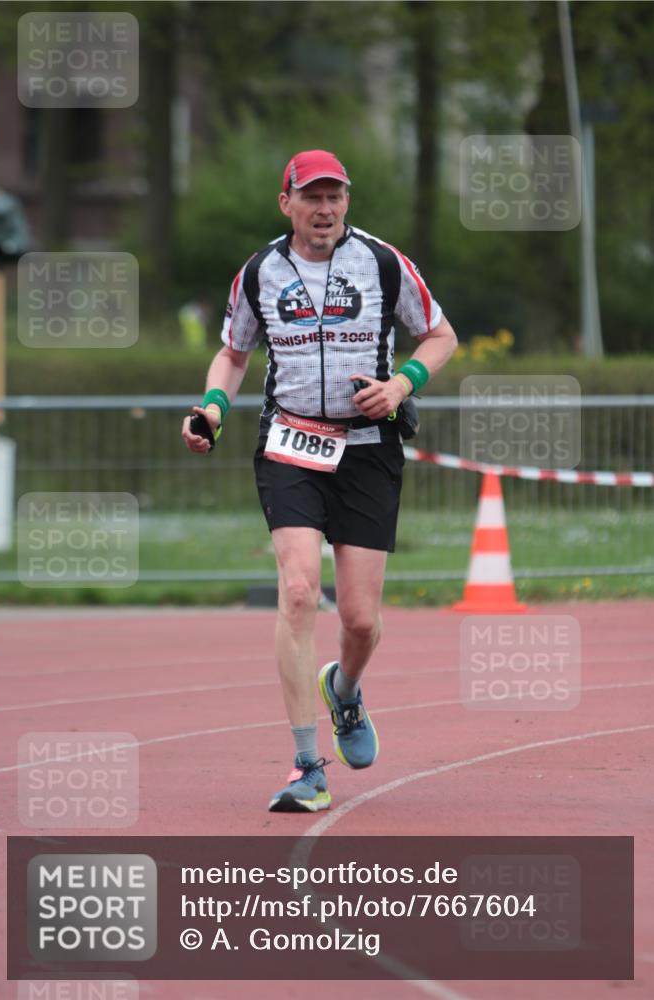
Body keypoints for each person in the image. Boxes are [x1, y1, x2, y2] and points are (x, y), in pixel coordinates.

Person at [181, 149, 457, 813]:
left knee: (360, 620)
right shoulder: (259, 273)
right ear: (287, 204)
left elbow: (440, 337)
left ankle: (347, 691)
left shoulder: (384, 263)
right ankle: (307, 766)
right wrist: (211, 408)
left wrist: (400, 386)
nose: (324, 209)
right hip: (290, 443)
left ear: (346, 203)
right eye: (311, 197)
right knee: (300, 590)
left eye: (334, 197)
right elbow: (232, 352)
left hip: (367, 450)